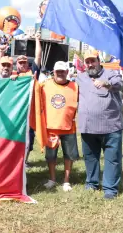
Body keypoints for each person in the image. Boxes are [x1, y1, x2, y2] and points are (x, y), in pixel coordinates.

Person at [76, 50, 123, 199]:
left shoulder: (111, 73)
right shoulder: (80, 77)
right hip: (87, 126)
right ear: (84, 64)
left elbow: (120, 84)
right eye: (88, 62)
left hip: (111, 126)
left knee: (112, 158)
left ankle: (110, 189)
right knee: (90, 157)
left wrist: (106, 83)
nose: (90, 64)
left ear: (99, 61)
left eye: (93, 61)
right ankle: (92, 183)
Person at [40, 61, 79, 192]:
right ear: (53, 72)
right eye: (58, 71)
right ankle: (52, 179)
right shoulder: (45, 84)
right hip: (51, 127)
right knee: (51, 156)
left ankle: (66, 181)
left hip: (69, 127)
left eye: (63, 71)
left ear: (67, 72)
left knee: (69, 156)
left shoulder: (75, 86)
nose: (60, 73)